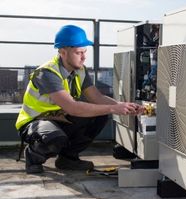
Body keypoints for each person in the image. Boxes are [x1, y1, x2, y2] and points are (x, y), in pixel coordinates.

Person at [15, 24, 144, 174]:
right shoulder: (47, 73)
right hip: (35, 122)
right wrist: (114, 108)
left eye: (85, 52)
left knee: (100, 115)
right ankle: (33, 156)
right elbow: (72, 107)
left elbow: (97, 97)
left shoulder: (80, 70)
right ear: (63, 52)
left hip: (59, 118)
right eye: (78, 52)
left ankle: (68, 159)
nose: (84, 57)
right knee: (55, 137)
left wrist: (124, 106)